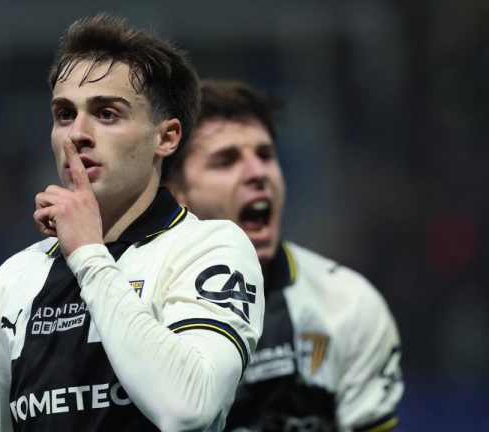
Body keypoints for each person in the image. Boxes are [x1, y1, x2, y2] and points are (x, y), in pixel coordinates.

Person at [0, 14, 264, 432]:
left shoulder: (209, 249)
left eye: (107, 114)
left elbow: (188, 409)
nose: (77, 133)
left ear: (166, 137)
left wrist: (89, 255)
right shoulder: (16, 279)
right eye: (64, 114)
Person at [167, 80, 404, 431]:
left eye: (265, 155)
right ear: (176, 195)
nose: (257, 173)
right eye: (226, 161)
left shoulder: (349, 305)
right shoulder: (137, 306)